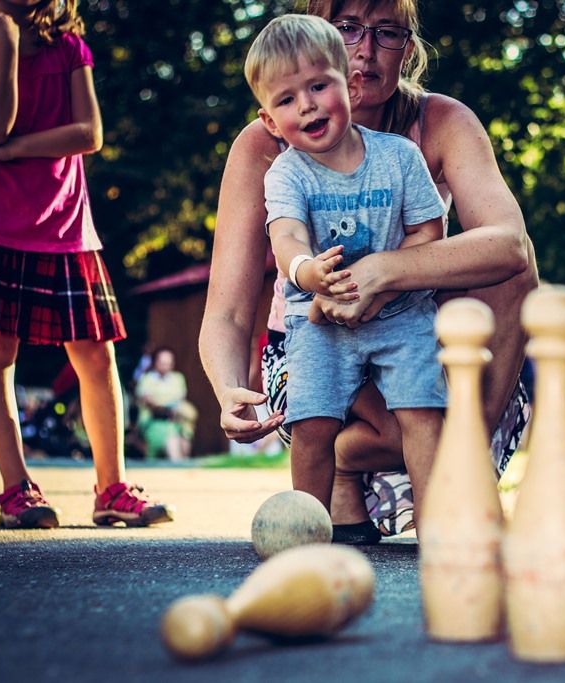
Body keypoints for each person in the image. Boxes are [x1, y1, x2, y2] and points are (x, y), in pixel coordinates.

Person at [199, 0, 538, 543]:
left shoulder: (435, 125)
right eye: (348, 27)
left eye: (386, 32)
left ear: (409, 46)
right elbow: (228, 309)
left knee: (505, 284)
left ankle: (459, 478)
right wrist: (228, 389)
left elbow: (509, 246)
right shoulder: (267, 145)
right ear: (323, 35)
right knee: (357, 416)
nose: (366, 49)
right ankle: (336, 471)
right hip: (313, 341)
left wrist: (384, 271)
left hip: (410, 329)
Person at [0, 0, 173, 528]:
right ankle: (16, 491)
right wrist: (4, 46)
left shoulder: (70, 46)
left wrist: (9, 152)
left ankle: (112, 488)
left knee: (96, 355)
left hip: (65, 224)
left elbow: (88, 134)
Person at [245, 14, 448, 523]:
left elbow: (429, 232)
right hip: (317, 320)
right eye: (287, 100)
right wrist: (308, 272)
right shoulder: (287, 171)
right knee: (313, 424)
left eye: (318, 86)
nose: (307, 104)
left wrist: (384, 283)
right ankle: (308, 525)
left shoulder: (400, 156)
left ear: (350, 85)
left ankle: (437, 525)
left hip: (400, 315)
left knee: (423, 415)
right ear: (270, 121)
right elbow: (286, 236)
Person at [135, 347, 196, 462]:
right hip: (154, 422)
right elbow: (149, 403)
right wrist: (166, 409)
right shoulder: (147, 379)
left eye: (169, 363)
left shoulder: (178, 378)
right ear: (155, 363)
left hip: (176, 421)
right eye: (162, 363)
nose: (165, 366)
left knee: (185, 440)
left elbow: (180, 400)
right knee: (172, 442)